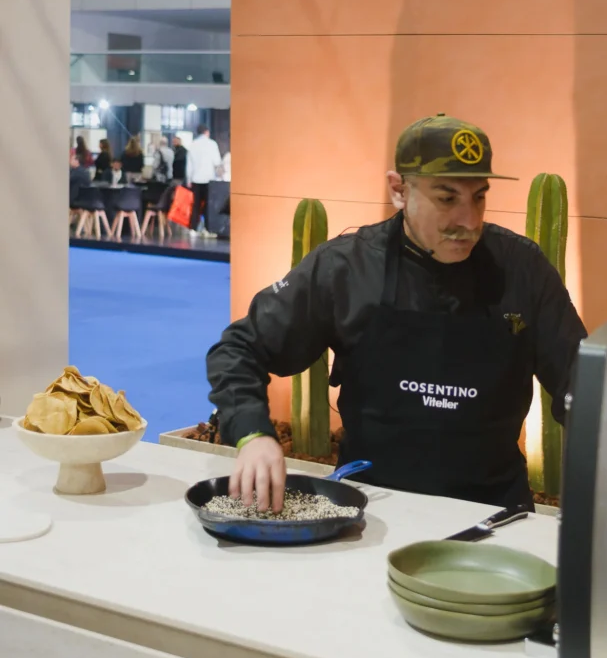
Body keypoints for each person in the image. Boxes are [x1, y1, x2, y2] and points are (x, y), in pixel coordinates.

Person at [207, 113, 587, 514]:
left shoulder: (522, 268)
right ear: (399, 190)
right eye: (447, 198)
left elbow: (581, 382)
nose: (469, 220)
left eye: (479, 196)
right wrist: (253, 434)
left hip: (492, 512)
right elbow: (239, 348)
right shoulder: (347, 268)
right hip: (371, 509)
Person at [186, 124, 222, 234]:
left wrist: (189, 179)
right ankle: (207, 228)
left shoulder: (192, 145)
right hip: (209, 179)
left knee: (196, 205)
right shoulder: (212, 144)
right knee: (208, 205)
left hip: (196, 179)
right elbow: (217, 162)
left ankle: (193, 228)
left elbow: (189, 165)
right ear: (207, 132)